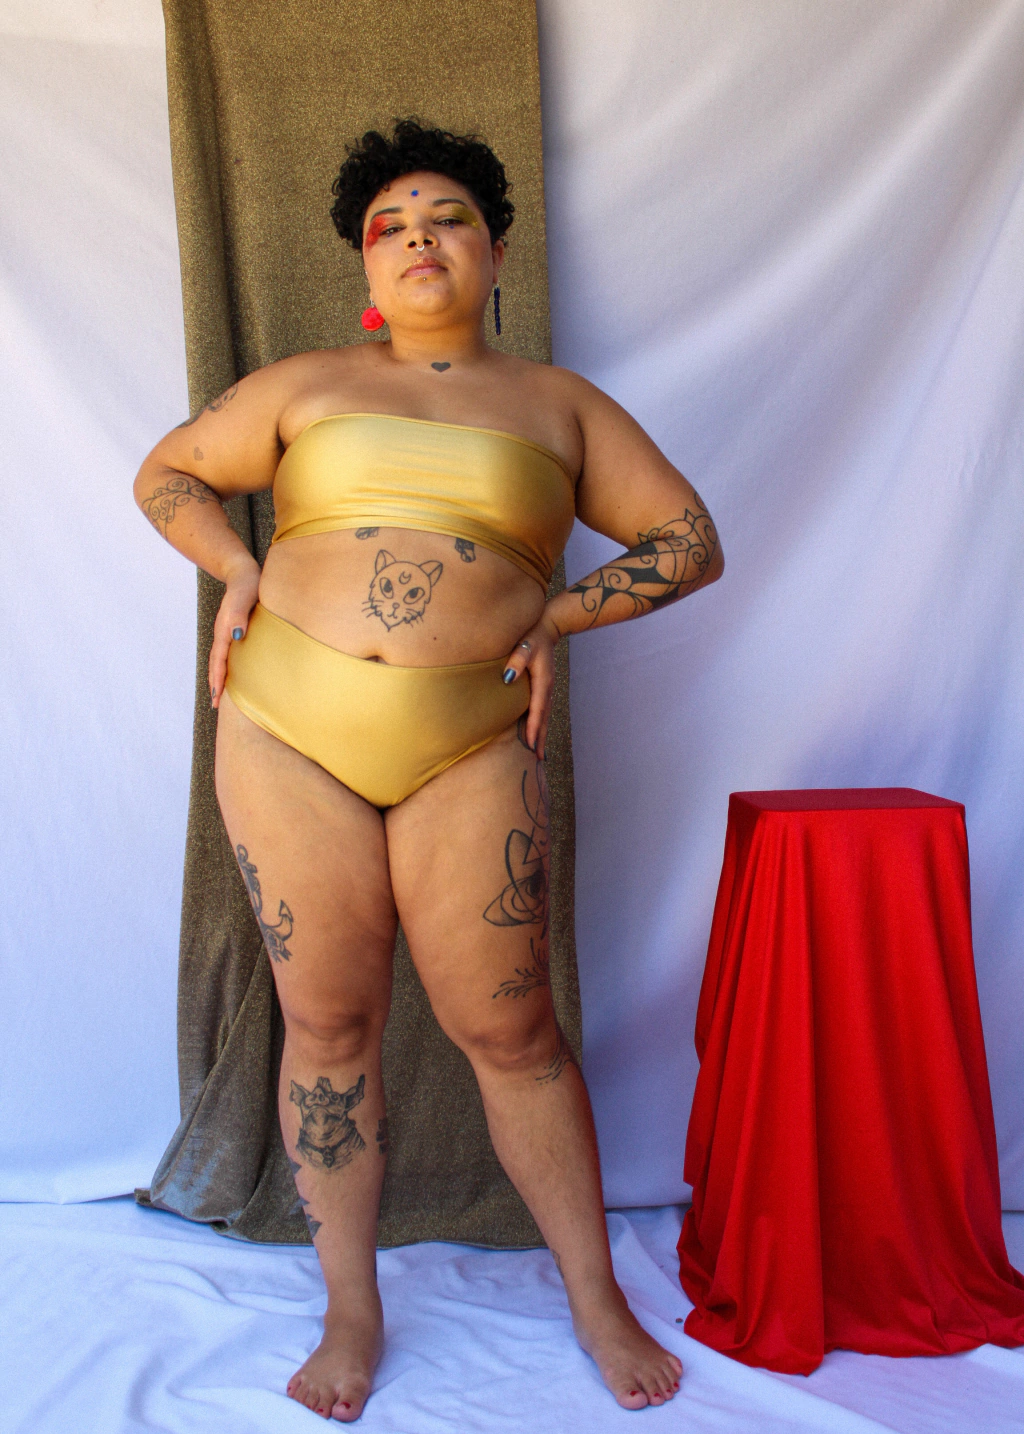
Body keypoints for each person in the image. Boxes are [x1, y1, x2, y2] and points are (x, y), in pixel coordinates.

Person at [134, 119, 722, 1421]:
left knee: (512, 1030)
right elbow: (167, 471)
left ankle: (596, 1298)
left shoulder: (561, 405)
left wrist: (557, 616)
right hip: (288, 731)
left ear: (497, 251)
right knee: (329, 1023)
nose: (419, 238)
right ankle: (351, 1309)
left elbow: (689, 538)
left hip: (468, 741)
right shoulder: (305, 384)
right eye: (390, 225)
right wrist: (236, 569)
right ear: (366, 264)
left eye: (448, 217)